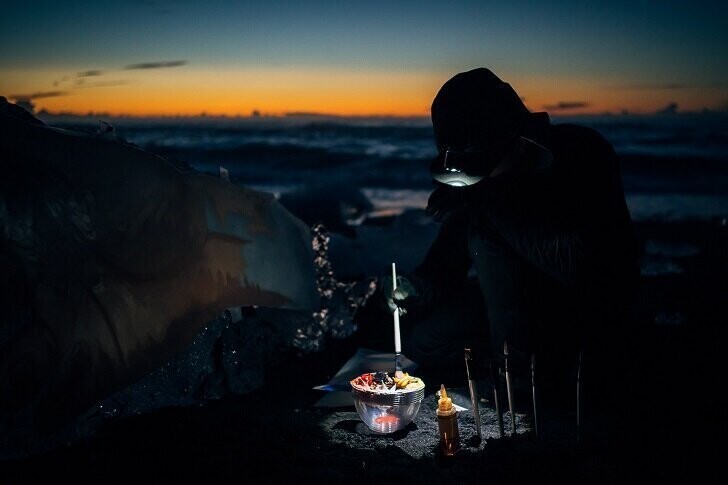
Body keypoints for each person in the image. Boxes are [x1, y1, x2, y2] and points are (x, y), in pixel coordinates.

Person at [359, 68, 640, 400]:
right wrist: (412, 288)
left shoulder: (581, 152)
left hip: (583, 306)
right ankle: (508, 363)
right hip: (508, 303)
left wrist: (486, 202)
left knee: (484, 237)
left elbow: (586, 267)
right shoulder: (480, 186)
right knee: (425, 339)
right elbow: (444, 267)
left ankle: (523, 380)